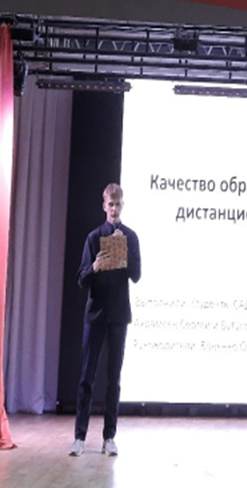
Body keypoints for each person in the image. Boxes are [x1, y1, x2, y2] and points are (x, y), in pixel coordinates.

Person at [69, 183, 141, 457]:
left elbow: (137, 275)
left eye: (118, 204)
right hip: (96, 315)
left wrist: (125, 252)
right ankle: (79, 437)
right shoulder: (93, 238)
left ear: (123, 205)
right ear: (104, 206)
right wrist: (94, 267)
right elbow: (81, 278)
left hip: (119, 316)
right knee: (87, 378)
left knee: (114, 379)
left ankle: (109, 437)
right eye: (110, 204)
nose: (114, 209)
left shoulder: (131, 237)